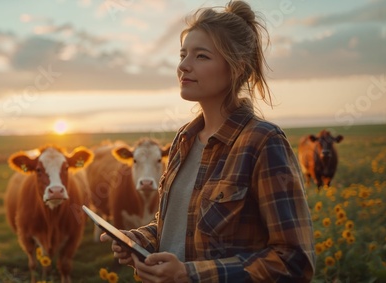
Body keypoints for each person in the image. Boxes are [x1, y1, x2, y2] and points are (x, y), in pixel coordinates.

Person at [101, 1, 315, 282]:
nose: (183, 66)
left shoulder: (263, 143)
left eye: (201, 56)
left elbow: (294, 261)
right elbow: (177, 227)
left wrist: (190, 274)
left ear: (236, 67)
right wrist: (139, 240)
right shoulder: (183, 140)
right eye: (182, 54)